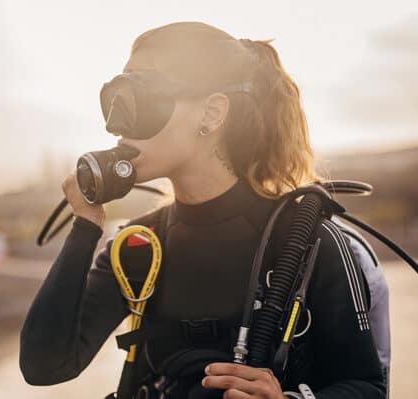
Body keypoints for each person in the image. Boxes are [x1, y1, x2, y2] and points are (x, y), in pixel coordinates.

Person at [20, 22, 386, 399]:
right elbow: (44, 365)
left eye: (141, 96)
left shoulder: (307, 242)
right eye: (114, 98)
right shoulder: (138, 249)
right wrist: (85, 226)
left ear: (211, 114)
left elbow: (368, 387)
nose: (118, 123)